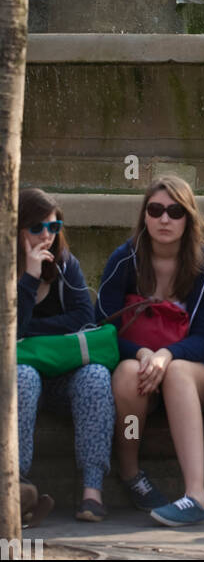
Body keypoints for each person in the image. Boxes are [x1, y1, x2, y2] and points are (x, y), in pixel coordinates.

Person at [97, 175, 204, 527]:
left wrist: (166, 355)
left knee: (179, 372)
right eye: (156, 210)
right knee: (126, 374)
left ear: (189, 218)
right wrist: (141, 354)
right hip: (140, 368)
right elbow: (103, 328)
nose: (165, 219)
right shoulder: (125, 260)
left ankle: (196, 496)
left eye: (175, 211)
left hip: (194, 370)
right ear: (145, 216)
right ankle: (131, 471)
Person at [17, 188, 114, 521]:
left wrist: (31, 336)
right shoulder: (8, 271)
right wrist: (28, 279)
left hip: (61, 377)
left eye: (53, 228)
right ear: (15, 228)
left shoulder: (65, 266)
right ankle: (16, 485)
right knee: (24, 375)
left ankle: (92, 491)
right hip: (19, 381)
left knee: (96, 376)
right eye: (36, 228)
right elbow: (9, 330)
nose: (46, 236)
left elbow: (82, 318)